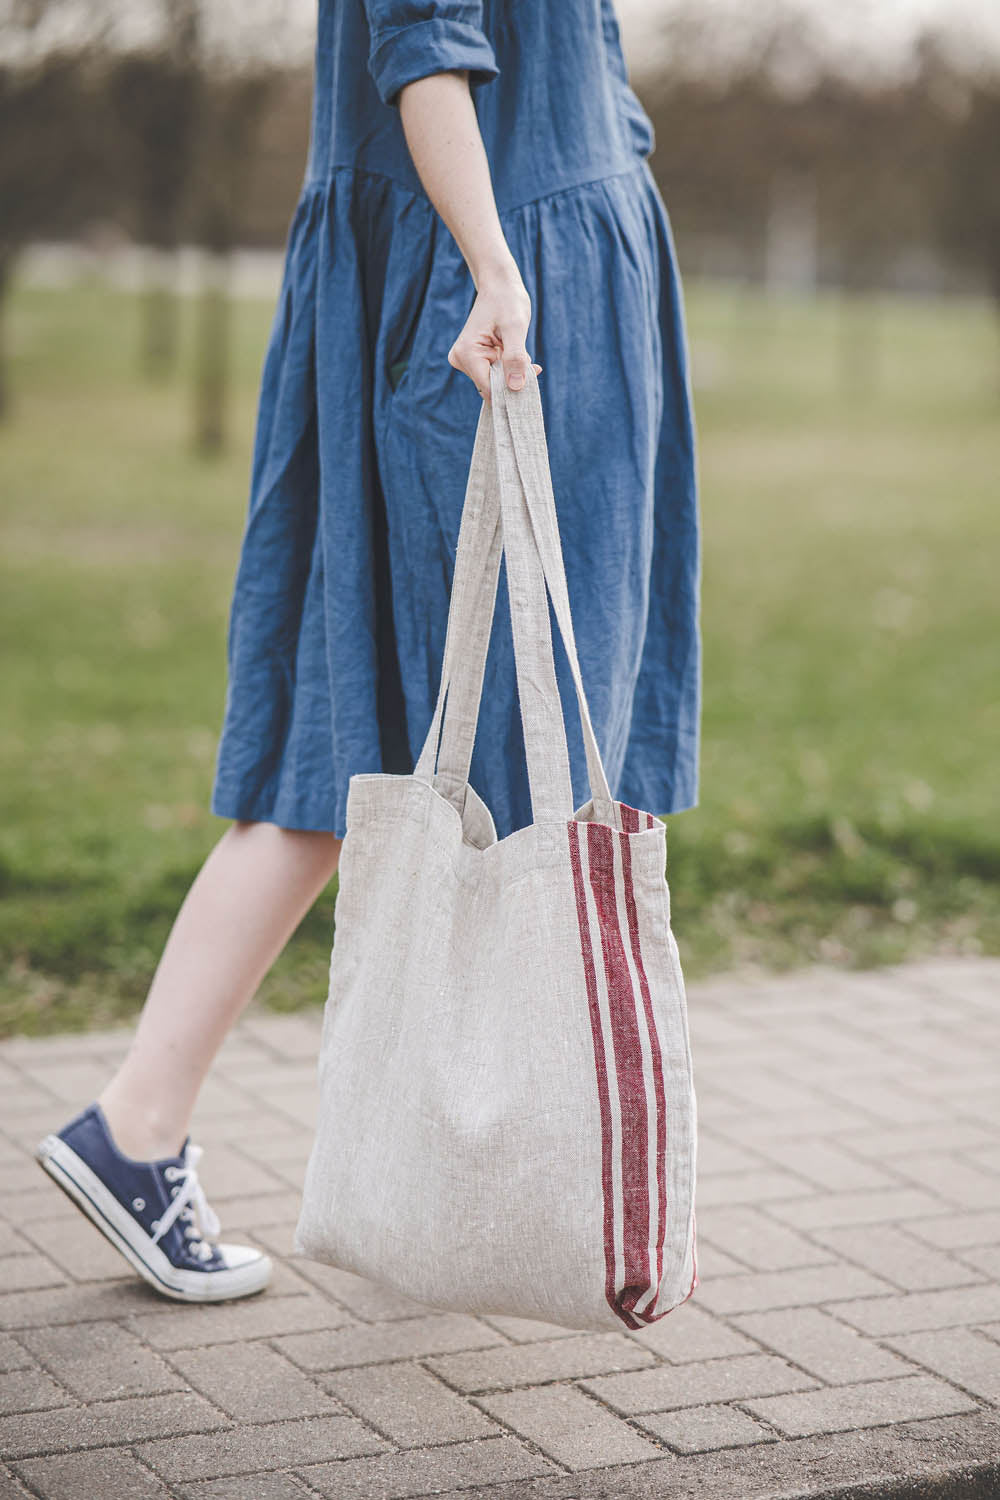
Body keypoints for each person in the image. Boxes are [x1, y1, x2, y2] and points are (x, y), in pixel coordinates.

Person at [35, 0, 701, 1302]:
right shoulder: (485, 260)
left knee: (389, 744)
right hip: (479, 291)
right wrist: (501, 266)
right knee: (404, 747)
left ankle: (164, 1128)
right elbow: (425, 52)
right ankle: (417, 1169)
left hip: (524, 266)